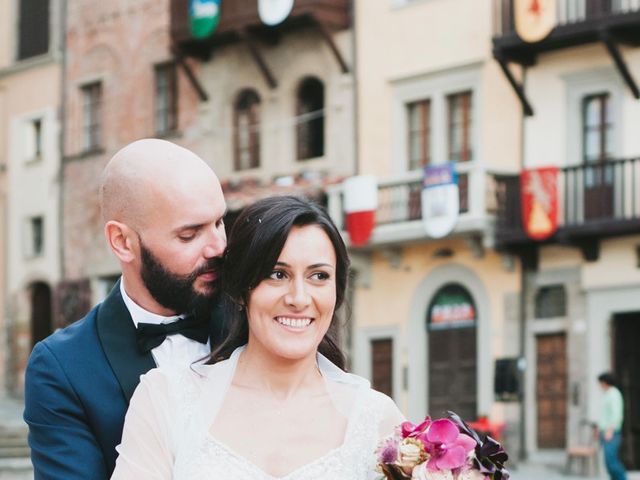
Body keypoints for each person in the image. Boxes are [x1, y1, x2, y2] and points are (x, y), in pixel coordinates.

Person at [112, 196, 404, 479]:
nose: (299, 298)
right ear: (241, 290)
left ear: (337, 292)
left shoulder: (375, 419)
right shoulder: (167, 399)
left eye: (319, 276)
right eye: (277, 275)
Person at [24, 139, 228, 479]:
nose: (218, 247)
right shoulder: (62, 368)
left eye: (220, 222)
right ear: (122, 242)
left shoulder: (254, 319)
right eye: (189, 234)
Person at [597, 372, 627, 480]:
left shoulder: (614, 394)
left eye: (600, 383)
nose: (599, 385)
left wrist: (610, 431)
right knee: (608, 464)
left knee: (612, 462)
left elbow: (616, 415)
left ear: (605, 382)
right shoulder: (607, 394)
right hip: (605, 432)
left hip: (611, 433)